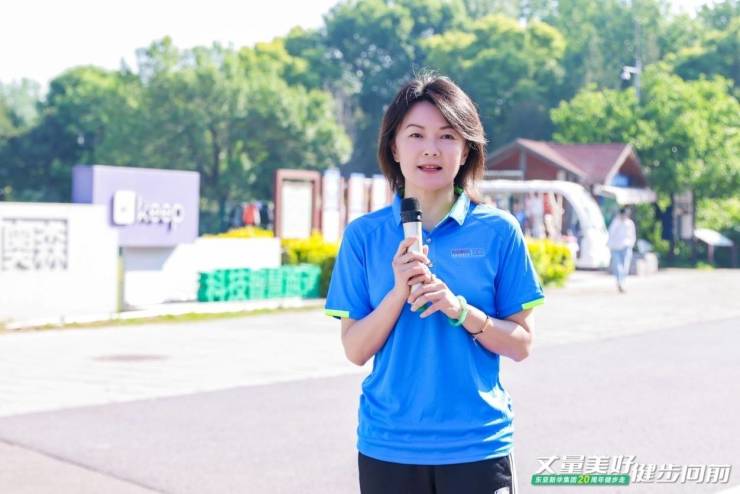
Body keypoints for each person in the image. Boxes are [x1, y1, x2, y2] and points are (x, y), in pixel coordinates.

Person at [324, 74, 544, 494]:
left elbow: (521, 344)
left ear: (466, 149)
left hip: (477, 445)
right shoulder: (364, 236)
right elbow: (355, 350)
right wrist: (398, 292)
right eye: (416, 135)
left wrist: (460, 310)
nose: (430, 149)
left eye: (447, 136)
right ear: (394, 147)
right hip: (389, 447)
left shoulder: (499, 231)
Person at [607, 206, 637, 293]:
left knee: (625, 267)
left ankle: (622, 283)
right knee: (617, 266)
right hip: (615, 248)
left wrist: (631, 244)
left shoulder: (630, 223)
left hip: (626, 247)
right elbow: (611, 233)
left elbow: (632, 235)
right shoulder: (616, 222)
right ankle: (620, 282)